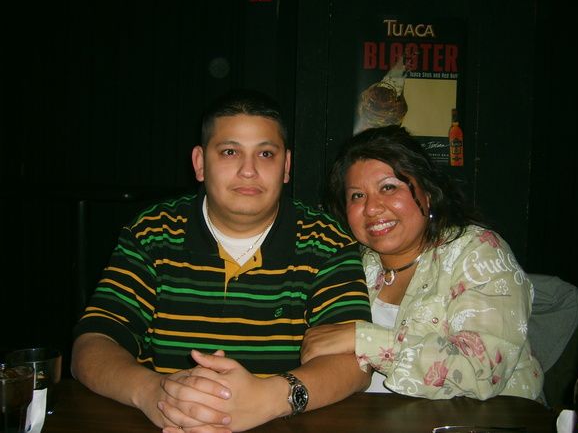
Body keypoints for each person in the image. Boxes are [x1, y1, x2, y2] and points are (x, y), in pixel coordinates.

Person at [71, 89, 372, 432]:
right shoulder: (153, 233)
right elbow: (93, 343)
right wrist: (155, 393)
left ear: (286, 166)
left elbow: (356, 364)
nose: (248, 171)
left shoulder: (327, 241)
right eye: (230, 152)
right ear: (200, 163)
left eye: (265, 154)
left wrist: (268, 398)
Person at [301, 125, 544, 402]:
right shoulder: (348, 263)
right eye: (357, 195)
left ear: (427, 193)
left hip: (477, 420)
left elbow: (481, 372)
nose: (372, 208)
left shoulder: (477, 252)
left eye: (388, 187)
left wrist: (361, 339)